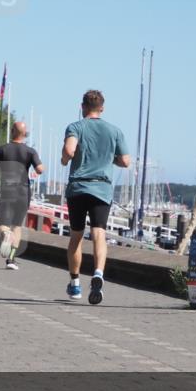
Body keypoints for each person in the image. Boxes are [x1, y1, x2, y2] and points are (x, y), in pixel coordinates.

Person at [61, 90, 130, 304]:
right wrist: (110, 159)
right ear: (102, 108)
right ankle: (98, 273)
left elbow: (69, 151)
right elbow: (125, 161)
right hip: (102, 188)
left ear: (82, 106)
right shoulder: (114, 131)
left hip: (79, 188)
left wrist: (64, 159)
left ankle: (75, 284)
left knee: (76, 236)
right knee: (99, 233)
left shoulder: (75, 127)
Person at [0, 121, 45, 271]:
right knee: (17, 226)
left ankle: (6, 234)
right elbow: (40, 169)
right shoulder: (30, 151)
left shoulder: (2, 149)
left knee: (3, 225)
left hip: (8, 191)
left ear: (12, 131)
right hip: (23, 192)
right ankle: (11, 260)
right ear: (25, 134)